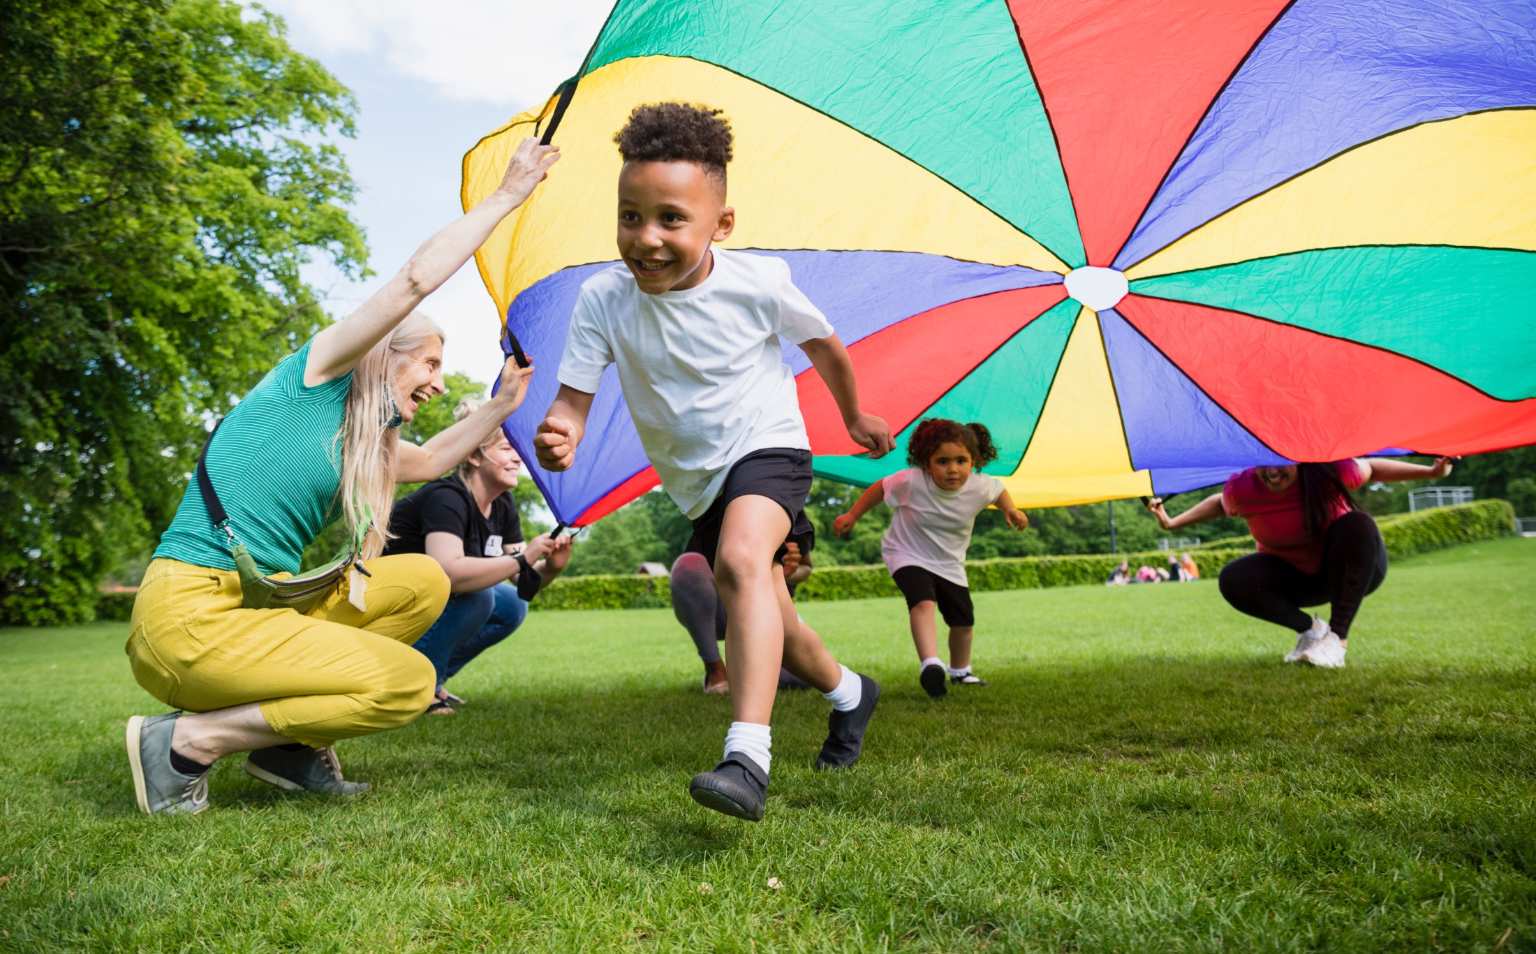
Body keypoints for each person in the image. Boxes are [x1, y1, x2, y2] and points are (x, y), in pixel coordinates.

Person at [123, 138, 560, 815]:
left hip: (255, 610)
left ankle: (285, 749)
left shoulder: (362, 439)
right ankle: (188, 742)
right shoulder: (315, 377)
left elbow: (436, 460)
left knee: (420, 580)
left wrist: (503, 405)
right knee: (408, 683)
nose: (440, 385)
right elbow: (415, 279)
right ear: (386, 354)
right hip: (188, 620)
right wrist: (507, 197)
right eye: (430, 366)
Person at [533, 102, 893, 822]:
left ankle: (747, 757)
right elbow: (572, 399)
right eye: (630, 216)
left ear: (719, 225)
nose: (647, 238)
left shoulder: (756, 283)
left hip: (768, 446)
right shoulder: (603, 299)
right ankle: (851, 695)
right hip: (697, 481)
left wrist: (853, 415)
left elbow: (824, 346)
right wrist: (559, 429)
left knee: (739, 562)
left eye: (671, 218)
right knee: (777, 622)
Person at [1146, 457, 1454, 668]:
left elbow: (1372, 468)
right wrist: (1172, 523)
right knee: (1233, 578)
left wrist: (1431, 473)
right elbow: (1219, 504)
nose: (1272, 471)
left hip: (1350, 571)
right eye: (1263, 463)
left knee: (1358, 523)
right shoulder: (1244, 488)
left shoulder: (1330, 471)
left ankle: (1337, 639)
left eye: (1281, 462)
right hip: (1297, 579)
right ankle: (1312, 630)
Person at [385, 401, 572, 715]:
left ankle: (434, 678)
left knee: (512, 605)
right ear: (473, 455)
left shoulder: (502, 505)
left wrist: (551, 566)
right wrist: (524, 558)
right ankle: (414, 687)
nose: (518, 457)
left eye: (518, 449)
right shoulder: (447, 498)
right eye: (506, 449)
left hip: (432, 599)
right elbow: (449, 572)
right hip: (389, 598)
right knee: (479, 596)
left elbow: (522, 582)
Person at [833, 419, 1028, 698]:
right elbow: (879, 488)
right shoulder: (911, 481)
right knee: (923, 602)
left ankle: (961, 671)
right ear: (926, 463)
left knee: (963, 621)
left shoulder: (980, 486)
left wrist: (1011, 510)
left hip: (950, 563)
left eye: (962, 461)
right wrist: (852, 515)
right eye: (943, 461)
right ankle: (931, 664)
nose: (953, 469)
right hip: (905, 553)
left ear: (974, 461)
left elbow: (998, 491)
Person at [672, 541, 813, 695]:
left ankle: (747, 671)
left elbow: (806, 567)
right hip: (724, 601)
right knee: (688, 564)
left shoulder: (794, 519)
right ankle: (715, 670)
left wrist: (784, 571)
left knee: (809, 673)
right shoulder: (709, 519)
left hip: (769, 607)